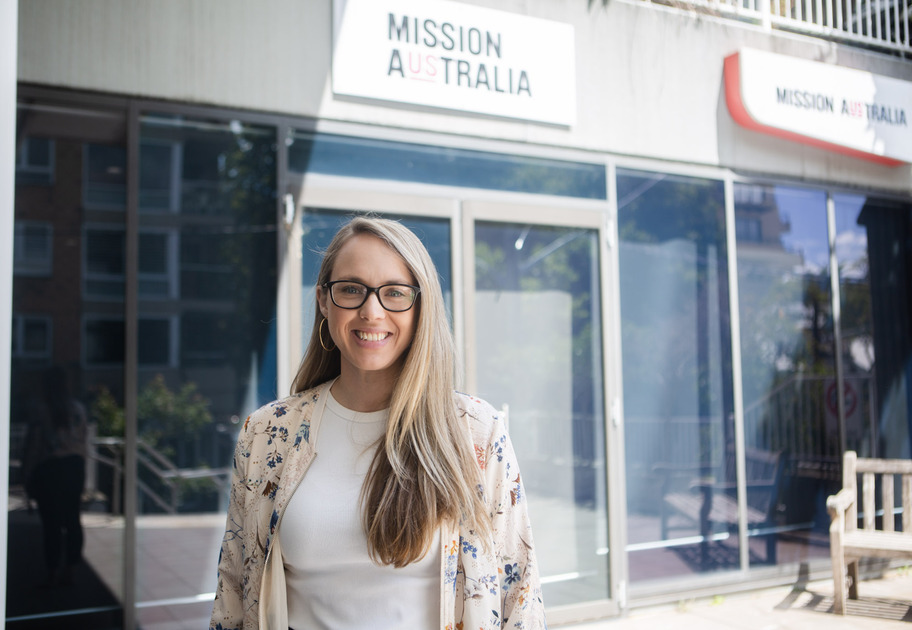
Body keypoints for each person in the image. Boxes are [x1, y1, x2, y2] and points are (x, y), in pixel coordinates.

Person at [210, 216, 545, 629]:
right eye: (351, 289)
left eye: (395, 293)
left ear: (421, 306)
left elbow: (520, 598)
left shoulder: (476, 432)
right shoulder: (265, 434)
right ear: (323, 300)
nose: (372, 311)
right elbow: (232, 596)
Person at [22, 364, 88, 586]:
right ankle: (70, 568)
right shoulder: (78, 409)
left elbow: (34, 446)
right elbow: (83, 442)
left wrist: (27, 474)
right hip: (74, 468)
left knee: (51, 524)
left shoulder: (41, 410)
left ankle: (52, 569)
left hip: (49, 470)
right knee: (72, 520)